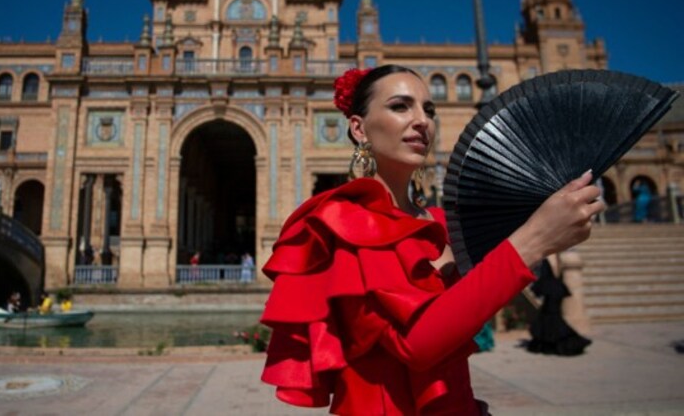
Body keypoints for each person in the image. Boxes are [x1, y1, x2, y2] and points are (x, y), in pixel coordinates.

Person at [259, 65, 605, 415]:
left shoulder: (440, 223)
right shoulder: (344, 221)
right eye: (400, 106)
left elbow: (456, 328)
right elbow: (416, 345)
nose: (422, 120)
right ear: (358, 128)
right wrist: (532, 241)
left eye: (429, 109)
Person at [527, 259, 592, 356]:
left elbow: (538, 288)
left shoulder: (545, 278)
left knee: (550, 324)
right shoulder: (554, 280)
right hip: (555, 303)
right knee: (551, 323)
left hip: (550, 304)